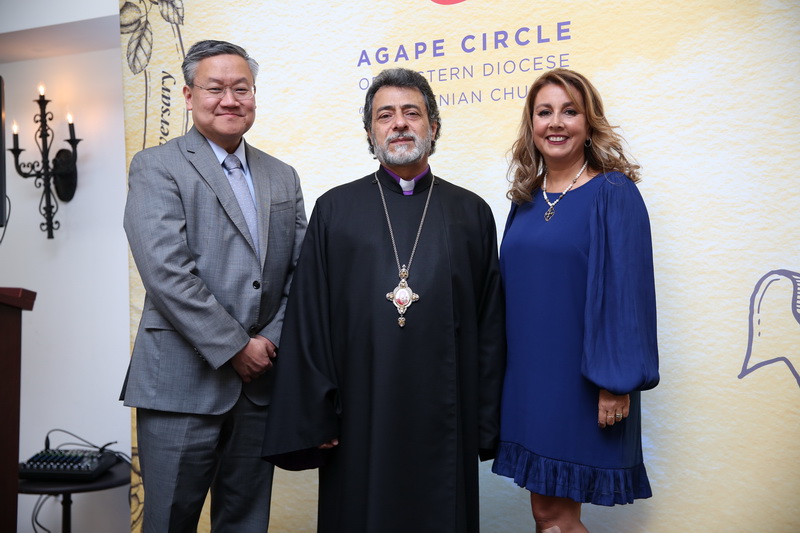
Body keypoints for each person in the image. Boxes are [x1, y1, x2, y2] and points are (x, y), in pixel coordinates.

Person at [261, 67, 506, 533]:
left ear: (433, 126)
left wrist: (486, 421)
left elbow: (489, 324)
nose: (399, 124)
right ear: (370, 132)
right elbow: (309, 319)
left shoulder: (471, 212)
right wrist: (316, 415)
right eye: (385, 115)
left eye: (412, 113)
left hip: (446, 417)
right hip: (359, 416)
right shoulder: (335, 209)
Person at [121, 40, 306, 532]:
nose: (230, 100)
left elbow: (301, 273)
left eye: (241, 88)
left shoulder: (282, 176)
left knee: (246, 522)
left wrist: (269, 342)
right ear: (188, 96)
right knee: (169, 522)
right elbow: (166, 272)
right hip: (180, 385)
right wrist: (236, 347)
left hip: (259, 385)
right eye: (215, 88)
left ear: (254, 96)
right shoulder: (155, 166)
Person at [492, 68, 659, 532]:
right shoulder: (525, 198)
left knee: (555, 517)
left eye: (570, 111)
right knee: (545, 513)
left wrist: (615, 382)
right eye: (544, 112)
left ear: (589, 123)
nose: (556, 123)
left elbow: (629, 295)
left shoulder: (614, 193)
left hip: (584, 383)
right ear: (531, 125)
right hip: (528, 381)